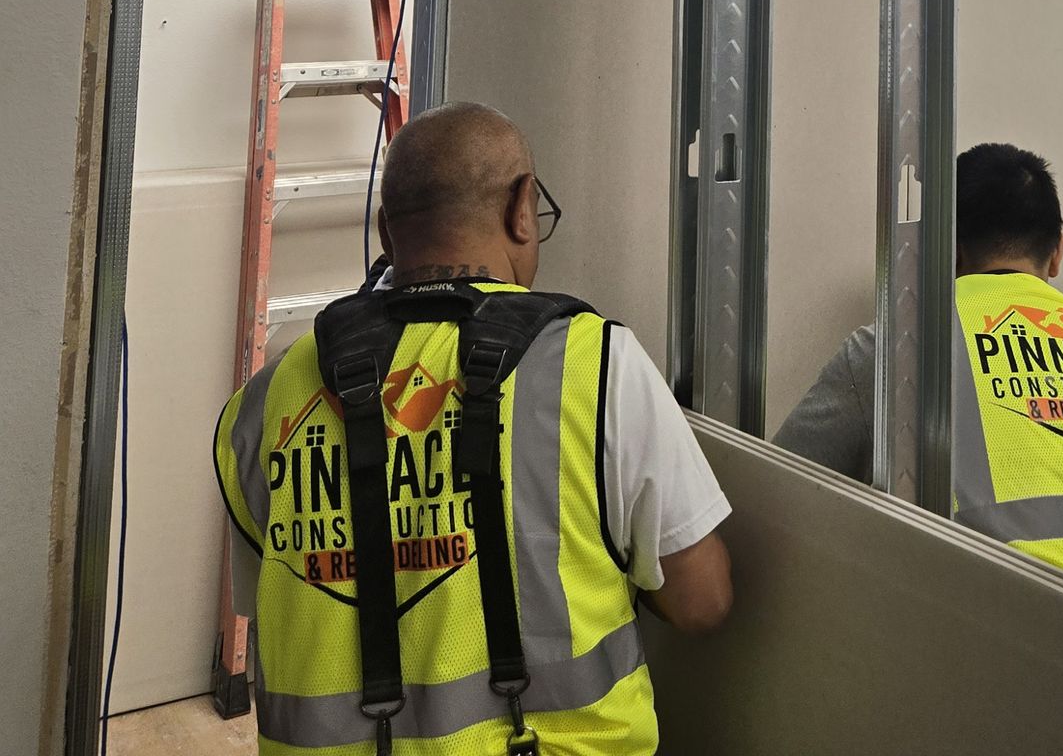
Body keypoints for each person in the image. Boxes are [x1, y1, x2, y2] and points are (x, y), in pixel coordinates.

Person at [214, 103, 731, 756]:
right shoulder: (591, 365)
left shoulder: (265, 401)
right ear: (522, 209)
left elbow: (279, 606)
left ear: (385, 231)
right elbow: (702, 600)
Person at [777, 142, 1063, 599]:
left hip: (1008, 639)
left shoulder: (897, 347)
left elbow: (777, 495)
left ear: (948, 249)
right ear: (1057, 253)